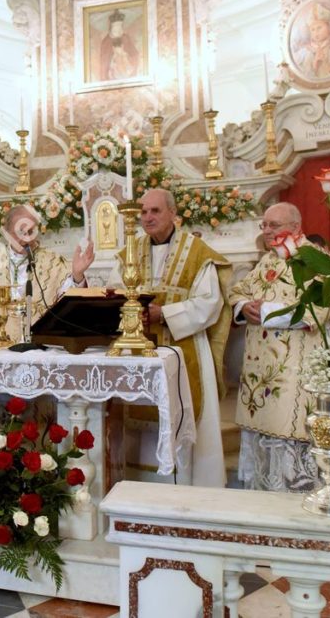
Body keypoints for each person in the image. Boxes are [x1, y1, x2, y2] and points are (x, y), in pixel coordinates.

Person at [109, 188, 231, 488]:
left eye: (155, 211)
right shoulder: (129, 253)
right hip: (138, 350)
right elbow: (113, 291)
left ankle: (187, 486)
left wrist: (166, 313)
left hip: (183, 345)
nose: (147, 218)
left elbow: (209, 303)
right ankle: (140, 484)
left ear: (173, 214)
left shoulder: (198, 252)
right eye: (143, 212)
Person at [229, 202, 330, 492]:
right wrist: (242, 307)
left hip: (294, 371)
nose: (266, 231)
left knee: (289, 427)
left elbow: (323, 308)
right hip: (259, 371)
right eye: (263, 225)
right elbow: (238, 292)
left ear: (296, 227)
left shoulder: (317, 260)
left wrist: (264, 312)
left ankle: (296, 495)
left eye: (273, 225)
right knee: (265, 432)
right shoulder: (268, 261)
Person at [0, 204, 94, 342]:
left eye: (31, 231)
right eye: (20, 232)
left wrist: (77, 276)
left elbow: (71, 309)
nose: (26, 238)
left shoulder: (54, 263)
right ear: (7, 233)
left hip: (41, 350)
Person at [291, 2, 330, 79]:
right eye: (312, 29)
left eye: (319, 27)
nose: (316, 32)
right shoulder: (305, 51)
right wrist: (314, 66)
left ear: (329, 27)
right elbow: (302, 74)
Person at [99, 9, 140, 81]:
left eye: (119, 28)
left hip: (125, 68)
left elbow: (135, 54)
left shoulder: (126, 38)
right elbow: (104, 61)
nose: (118, 31)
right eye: (115, 29)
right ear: (111, 28)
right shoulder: (106, 42)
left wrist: (125, 55)